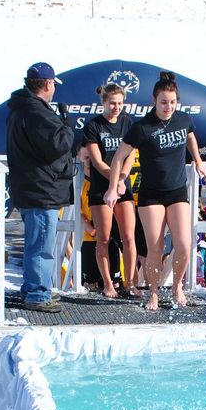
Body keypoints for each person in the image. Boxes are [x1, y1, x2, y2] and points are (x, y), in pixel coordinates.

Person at [108, 71, 206, 311]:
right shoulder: (142, 127)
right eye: (164, 102)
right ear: (154, 101)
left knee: (184, 244)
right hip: (151, 195)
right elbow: (118, 158)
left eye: (172, 102)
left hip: (177, 191)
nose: (168, 107)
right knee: (155, 248)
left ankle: (176, 288)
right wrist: (113, 186)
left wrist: (197, 161)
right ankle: (153, 292)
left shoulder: (183, 120)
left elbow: (190, 136)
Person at [6, 61, 75, 313]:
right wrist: (67, 126)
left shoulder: (20, 108)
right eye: (52, 85)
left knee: (36, 243)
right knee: (42, 246)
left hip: (30, 187)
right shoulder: (36, 112)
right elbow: (57, 144)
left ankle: (33, 289)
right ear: (47, 84)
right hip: (40, 190)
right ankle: (37, 294)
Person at [82, 83, 137, 299]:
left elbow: (131, 154)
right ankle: (108, 284)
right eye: (112, 103)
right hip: (101, 187)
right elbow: (97, 161)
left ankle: (131, 283)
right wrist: (113, 183)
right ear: (103, 102)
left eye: (120, 104)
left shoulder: (127, 123)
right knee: (103, 238)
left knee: (128, 237)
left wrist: (122, 179)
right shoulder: (93, 126)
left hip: (123, 186)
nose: (116, 107)